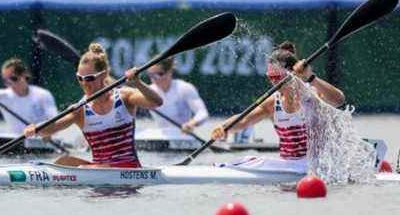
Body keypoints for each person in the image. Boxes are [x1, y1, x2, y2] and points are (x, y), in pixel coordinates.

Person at [210, 42, 345, 173]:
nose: (273, 81)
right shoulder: (272, 103)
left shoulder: (313, 95)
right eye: (270, 77)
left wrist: (311, 78)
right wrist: (224, 128)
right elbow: (244, 120)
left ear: (293, 73)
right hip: (289, 166)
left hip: (317, 164)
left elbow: (339, 100)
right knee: (244, 160)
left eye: (277, 76)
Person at [23, 43, 163, 168]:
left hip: (128, 167)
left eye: (89, 78)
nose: (84, 83)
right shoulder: (80, 109)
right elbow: (53, 127)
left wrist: (138, 83)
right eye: (80, 78)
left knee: (91, 168)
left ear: (104, 75)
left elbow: (157, 102)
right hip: (98, 169)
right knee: (63, 162)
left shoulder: (125, 97)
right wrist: (36, 128)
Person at [0, 58, 58, 135]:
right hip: (17, 140)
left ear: (25, 76)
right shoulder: (3, 96)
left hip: (41, 138)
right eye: (6, 81)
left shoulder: (43, 95)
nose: (10, 84)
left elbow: (54, 119)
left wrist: (46, 132)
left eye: (13, 79)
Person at [144, 57, 209, 142]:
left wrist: (192, 123)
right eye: (151, 75)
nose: (154, 79)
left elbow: (203, 113)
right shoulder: (147, 92)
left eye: (159, 74)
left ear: (170, 71)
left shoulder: (185, 88)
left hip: (183, 136)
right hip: (161, 136)